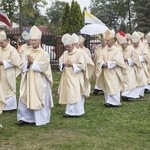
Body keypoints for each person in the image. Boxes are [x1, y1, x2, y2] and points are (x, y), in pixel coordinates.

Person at [17, 25, 53, 126]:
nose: (33, 42)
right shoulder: (27, 52)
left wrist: (34, 62)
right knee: (25, 95)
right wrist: (27, 63)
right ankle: (25, 118)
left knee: (39, 97)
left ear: (39, 41)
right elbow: (21, 65)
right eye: (31, 40)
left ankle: (40, 119)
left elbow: (44, 66)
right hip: (28, 79)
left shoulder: (44, 54)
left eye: (35, 40)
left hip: (39, 80)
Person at [58, 33, 94, 117]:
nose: (67, 48)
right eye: (66, 47)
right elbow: (60, 61)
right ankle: (70, 111)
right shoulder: (65, 53)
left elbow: (82, 65)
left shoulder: (79, 53)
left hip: (76, 76)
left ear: (73, 44)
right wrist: (63, 64)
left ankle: (76, 111)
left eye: (68, 46)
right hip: (67, 76)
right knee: (69, 92)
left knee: (76, 93)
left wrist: (73, 65)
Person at [97, 30, 125, 107]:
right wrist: (103, 64)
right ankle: (108, 101)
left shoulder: (117, 50)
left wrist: (108, 65)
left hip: (113, 72)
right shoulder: (103, 50)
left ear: (113, 40)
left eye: (108, 40)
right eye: (106, 40)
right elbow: (100, 60)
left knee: (114, 85)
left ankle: (115, 102)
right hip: (106, 72)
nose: (107, 42)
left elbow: (118, 61)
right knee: (107, 86)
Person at [0, 30, 20, 114]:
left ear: (5, 40)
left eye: (1, 43)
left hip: (8, 73)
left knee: (8, 88)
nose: (0, 44)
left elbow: (16, 61)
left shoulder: (12, 50)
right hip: (1, 72)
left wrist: (3, 62)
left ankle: (10, 107)